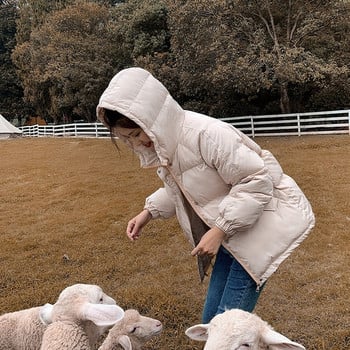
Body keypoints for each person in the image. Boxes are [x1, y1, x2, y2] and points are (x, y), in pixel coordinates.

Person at [96, 67, 315, 323]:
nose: (136, 143)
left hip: (260, 227)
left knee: (226, 322)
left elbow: (256, 179)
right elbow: (184, 190)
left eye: (135, 134)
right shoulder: (170, 145)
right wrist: (149, 212)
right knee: (211, 321)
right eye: (127, 140)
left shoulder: (205, 134)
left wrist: (219, 230)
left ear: (150, 120)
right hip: (233, 232)